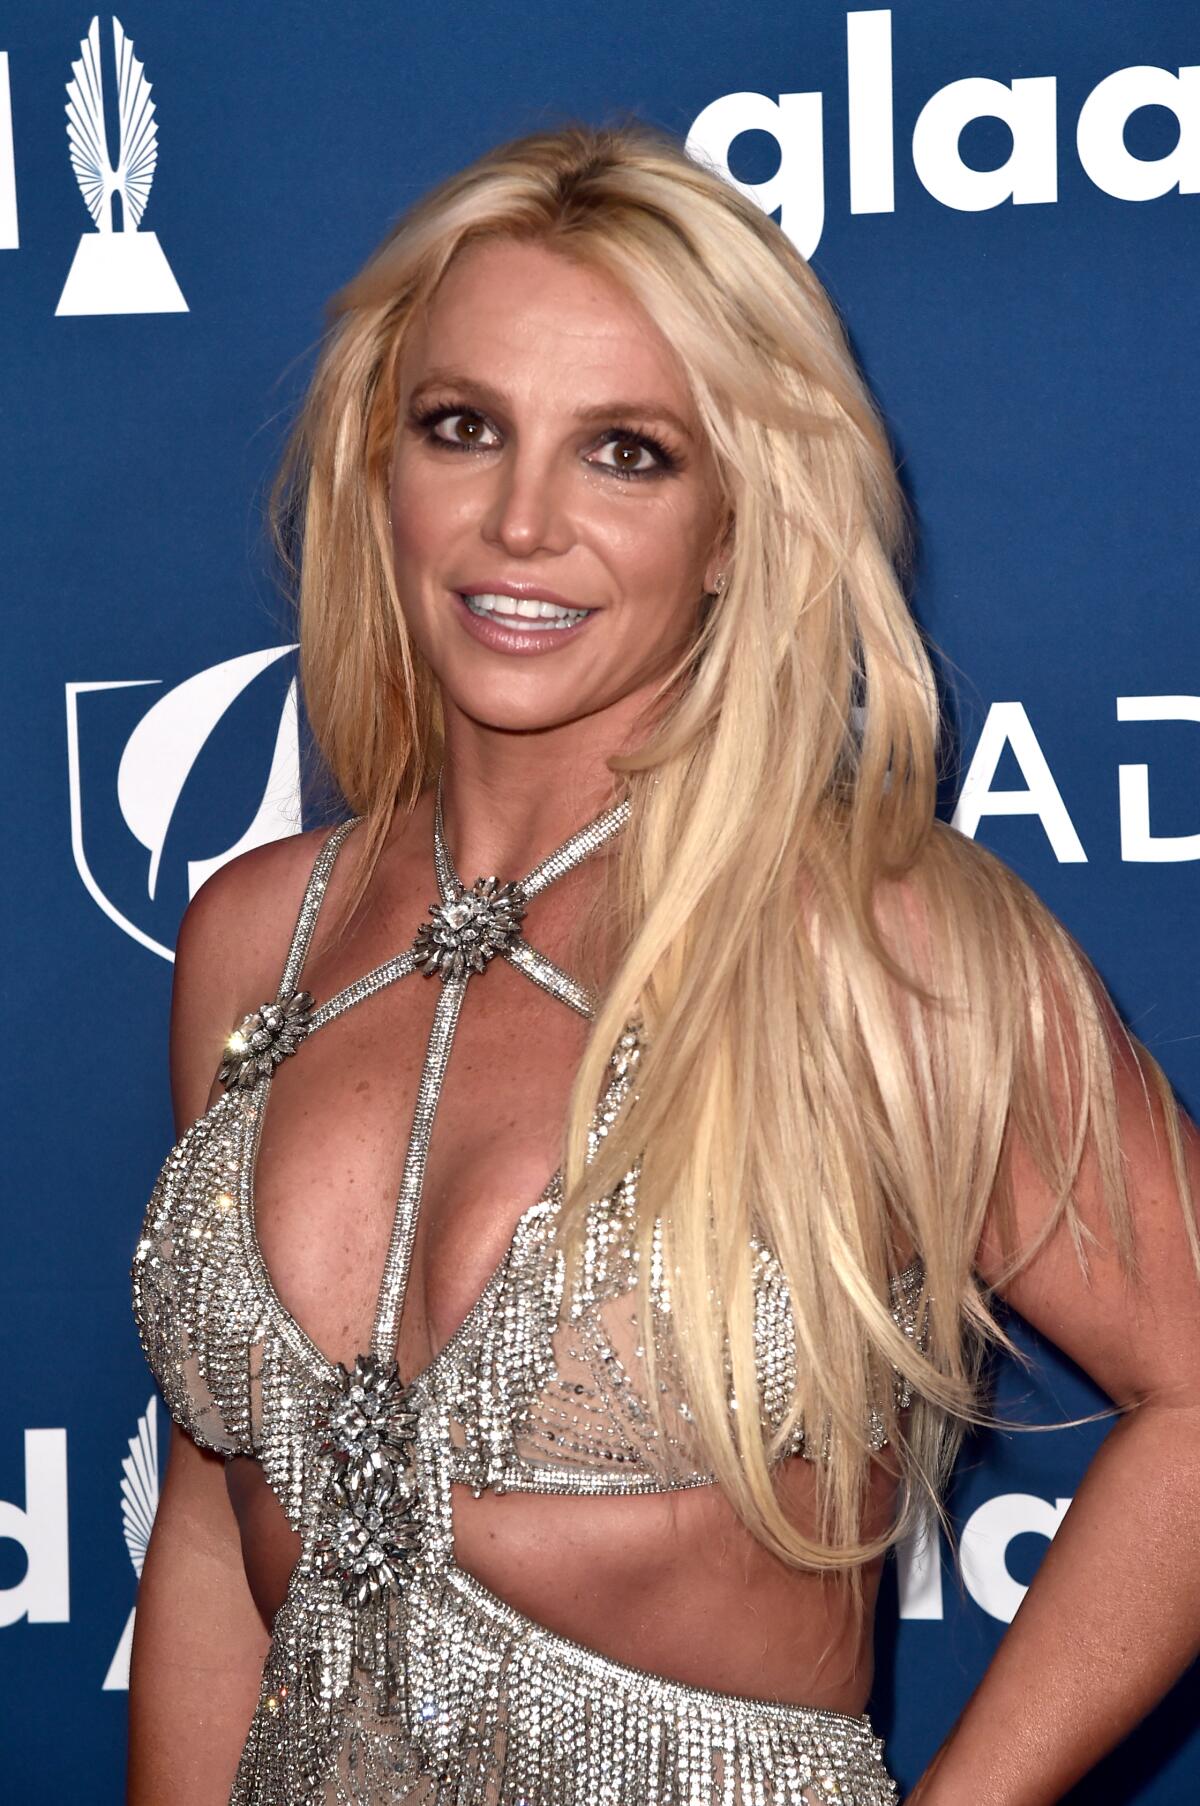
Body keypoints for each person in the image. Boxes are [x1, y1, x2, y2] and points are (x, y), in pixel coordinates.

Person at [127, 120, 1200, 1806]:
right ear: (377, 462)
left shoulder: (877, 941)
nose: (521, 522)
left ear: (734, 518)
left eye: (624, 451)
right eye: (462, 427)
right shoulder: (255, 936)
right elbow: (215, 1518)